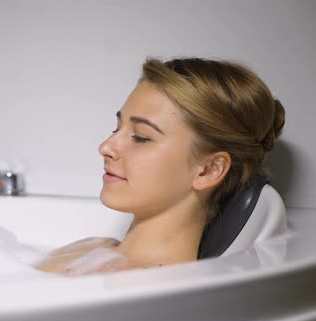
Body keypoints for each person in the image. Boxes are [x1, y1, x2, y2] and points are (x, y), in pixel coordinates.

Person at [34, 57, 286, 275]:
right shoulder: (94, 249)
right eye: (117, 128)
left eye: (142, 137)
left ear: (209, 170)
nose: (106, 147)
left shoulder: (151, 294)